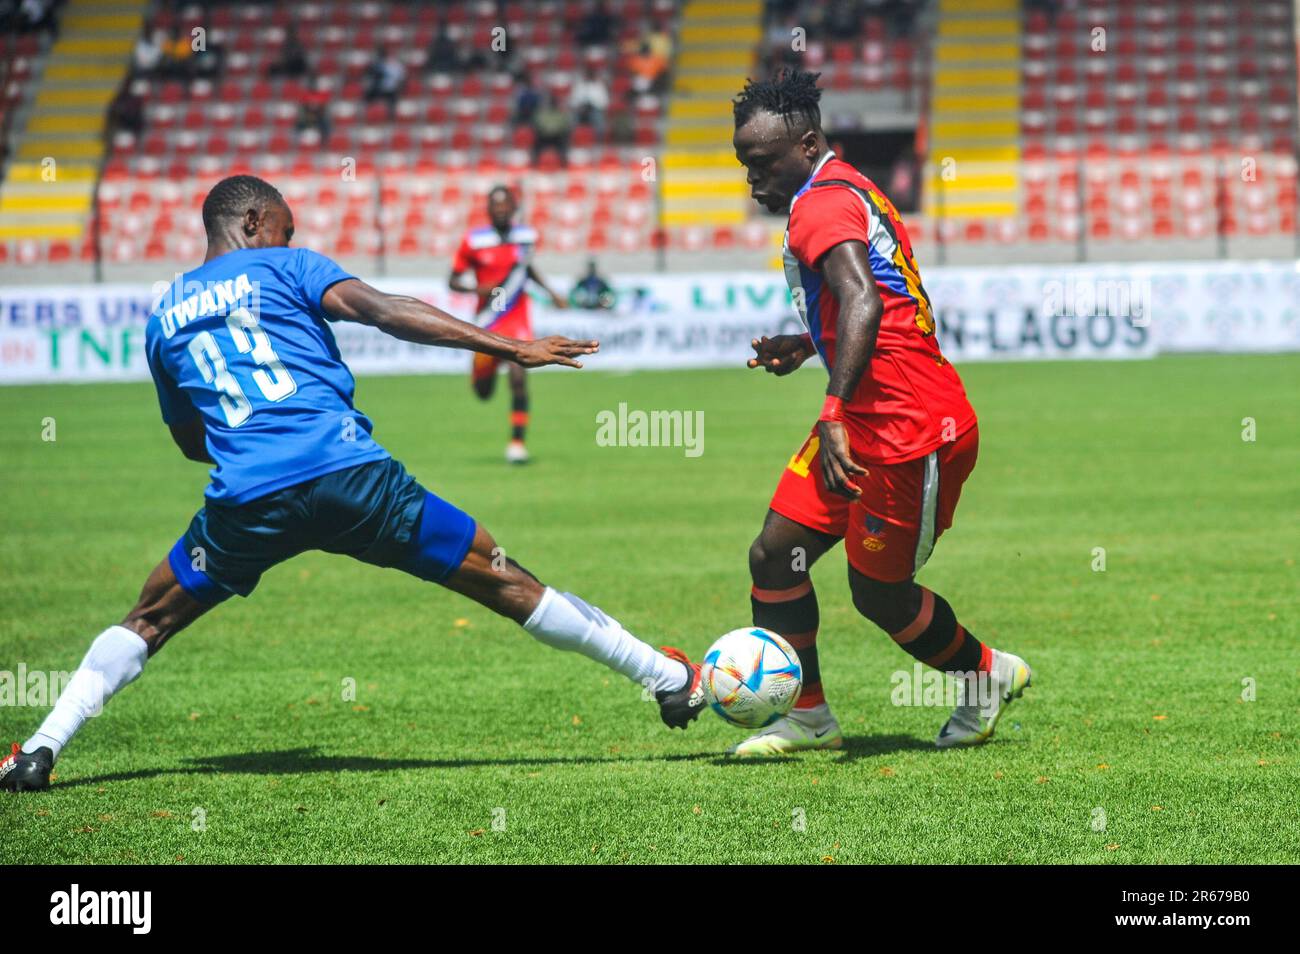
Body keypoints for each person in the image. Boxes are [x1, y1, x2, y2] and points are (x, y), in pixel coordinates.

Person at [0, 175, 704, 793]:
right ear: (252, 224)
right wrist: (510, 344)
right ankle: (669, 680)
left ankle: (38, 750)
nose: (289, 238)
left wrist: (256, 450)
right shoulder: (289, 266)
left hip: (248, 502)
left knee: (150, 616)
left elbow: (190, 441)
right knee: (503, 578)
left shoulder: (164, 318)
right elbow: (384, 310)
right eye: (284, 227)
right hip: (351, 477)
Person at [729, 70, 1032, 756]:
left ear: (806, 145)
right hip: (862, 416)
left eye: (762, 162)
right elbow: (882, 305)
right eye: (743, 164)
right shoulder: (846, 187)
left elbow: (863, 298)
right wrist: (812, 345)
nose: (752, 180)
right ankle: (808, 717)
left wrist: (832, 409)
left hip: (908, 430)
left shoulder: (820, 206)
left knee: (880, 597)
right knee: (777, 558)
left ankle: (987, 674)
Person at [449, 186, 567, 464]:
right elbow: (452, 280)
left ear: (514, 208)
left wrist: (551, 292)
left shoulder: (525, 238)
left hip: (517, 317)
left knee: (519, 373)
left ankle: (517, 443)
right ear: (488, 210)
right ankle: (483, 377)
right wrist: (477, 289)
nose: (501, 210)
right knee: (483, 392)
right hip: (487, 321)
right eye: (496, 206)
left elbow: (526, 269)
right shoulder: (474, 241)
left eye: (505, 205)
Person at [363, 46, 405, 119]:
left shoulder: (397, 66)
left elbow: (400, 78)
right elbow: (372, 75)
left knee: (392, 99)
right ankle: (370, 113)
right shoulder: (380, 65)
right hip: (379, 88)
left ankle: (390, 115)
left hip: (391, 89)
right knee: (370, 93)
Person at [531, 94, 571, 166]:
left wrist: (555, 129)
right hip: (544, 136)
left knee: (564, 142)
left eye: (553, 103)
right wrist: (547, 129)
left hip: (557, 136)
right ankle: (535, 163)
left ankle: (563, 162)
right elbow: (538, 124)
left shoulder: (561, 114)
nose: (552, 104)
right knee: (536, 143)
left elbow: (564, 125)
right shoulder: (543, 114)